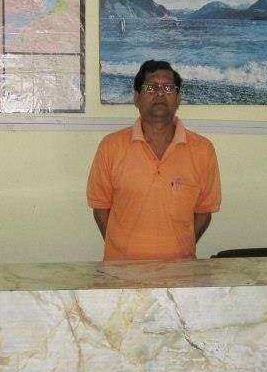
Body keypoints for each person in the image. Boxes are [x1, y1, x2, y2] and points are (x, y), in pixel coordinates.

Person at [87, 60, 221, 261]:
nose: (160, 93)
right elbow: (100, 207)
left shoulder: (203, 150)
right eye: (150, 87)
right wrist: (123, 250)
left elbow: (204, 212)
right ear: (136, 98)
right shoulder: (111, 146)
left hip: (180, 271)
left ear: (178, 98)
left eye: (168, 88)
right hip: (121, 271)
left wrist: (180, 249)